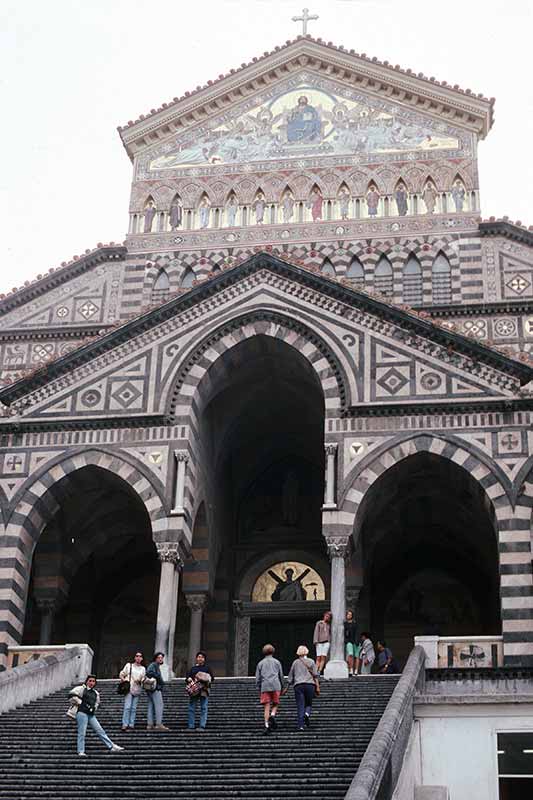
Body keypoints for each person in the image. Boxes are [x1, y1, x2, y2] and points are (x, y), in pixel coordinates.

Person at [69, 675, 124, 757]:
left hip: (91, 714)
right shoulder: (81, 689)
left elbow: (97, 703)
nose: (91, 683)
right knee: (82, 733)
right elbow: (71, 695)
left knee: (100, 730)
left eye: (93, 681)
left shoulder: (95, 693)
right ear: (87, 681)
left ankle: (111, 746)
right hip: (81, 713)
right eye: (90, 681)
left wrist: (94, 708)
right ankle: (81, 751)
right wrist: (80, 703)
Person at [285, 645, 319, 731]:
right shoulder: (311, 661)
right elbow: (315, 675)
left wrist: (286, 688)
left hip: (298, 685)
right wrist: (317, 687)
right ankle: (307, 714)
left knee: (300, 705)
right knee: (309, 703)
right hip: (310, 685)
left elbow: (290, 677)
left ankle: (300, 726)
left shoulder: (295, 662)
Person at [255, 643, 284, 735]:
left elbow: (258, 678)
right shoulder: (277, 662)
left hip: (265, 686)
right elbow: (281, 675)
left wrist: (259, 687)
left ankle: (267, 725)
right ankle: (273, 715)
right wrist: (282, 686)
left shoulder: (260, 663)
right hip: (276, 685)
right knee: (275, 703)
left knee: (266, 707)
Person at [186, 651, 215, 731]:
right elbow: (187, 677)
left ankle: (202, 725)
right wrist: (189, 679)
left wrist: (205, 678)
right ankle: (191, 725)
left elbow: (212, 678)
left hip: (204, 690)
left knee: (204, 708)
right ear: (196, 658)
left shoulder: (207, 668)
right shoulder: (193, 668)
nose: (200, 659)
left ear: (204, 659)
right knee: (191, 708)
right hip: (194, 689)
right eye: (198, 657)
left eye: (202, 657)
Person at [119, 651, 146, 731]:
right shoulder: (129, 665)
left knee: (134, 708)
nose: (138, 657)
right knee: (127, 707)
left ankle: (131, 724)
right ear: (134, 657)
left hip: (137, 689)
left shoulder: (143, 668)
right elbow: (122, 673)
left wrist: (141, 680)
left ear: (142, 658)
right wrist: (124, 680)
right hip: (129, 688)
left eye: (140, 656)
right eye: (137, 656)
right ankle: (125, 724)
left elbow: (143, 678)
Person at [145, 652, 170, 731]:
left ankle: (150, 724)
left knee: (151, 706)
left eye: (161, 658)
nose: (160, 659)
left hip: (151, 689)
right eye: (159, 657)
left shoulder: (155, 665)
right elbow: (149, 672)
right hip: (155, 688)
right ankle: (158, 724)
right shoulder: (154, 665)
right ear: (155, 658)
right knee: (159, 705)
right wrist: (159, 678)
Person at [313, 610, 331, 674]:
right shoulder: (319, 623)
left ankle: (319, 671)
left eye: (328, 617)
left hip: (326, 642)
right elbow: (316, 632)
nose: (327, 617)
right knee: (318, 657)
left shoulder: (329, 625)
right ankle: (315, 670)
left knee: (323, 656)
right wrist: (315, 640)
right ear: (324, 616)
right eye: (326, 616)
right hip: (319, 642)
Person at [344, 609, 359, 677]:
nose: (349, 616)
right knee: (350, 655)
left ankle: (356, 670)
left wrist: (357, 641)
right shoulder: (345, 624)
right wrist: (346, 640)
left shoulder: (355, 623)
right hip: (348, 641)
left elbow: (357, 632)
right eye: (348, 614)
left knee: (356, 656)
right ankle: (351, 669)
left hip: (355, 641)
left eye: (350, 614)